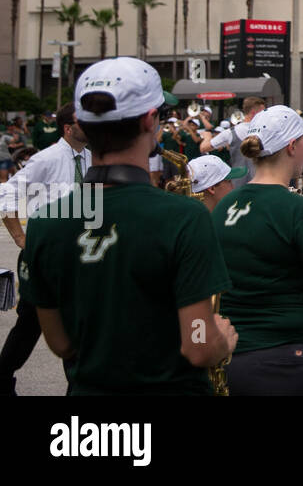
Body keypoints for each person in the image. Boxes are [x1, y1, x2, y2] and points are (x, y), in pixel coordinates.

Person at [19, 58, 236, 394]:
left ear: (80, 122)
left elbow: (60, 343)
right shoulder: (183, 216)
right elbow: (198, 344)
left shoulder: (46, 220)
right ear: (151, 120)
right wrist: (221, 340)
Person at [213, 105, 303, 396]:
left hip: (233, 360)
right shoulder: (302, 210)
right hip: (290, 361)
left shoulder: (223, 207)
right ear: (293, 146)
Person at [0, 103, 91, 395]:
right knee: (31, 325)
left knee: (73, 322)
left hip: (80, 253)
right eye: (83, 121)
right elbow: (7, 193)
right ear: (68, 128)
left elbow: (96, 205)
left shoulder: (93, 158)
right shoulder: (46, 159)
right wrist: (20, 238)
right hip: (45, 255)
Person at [201, 96, 265, 188]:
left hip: (238, 185)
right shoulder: (266, 132)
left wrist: (207, 137)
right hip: (260, 184)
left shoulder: (231, 132)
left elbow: (204, 148)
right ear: (254, 113)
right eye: (262, 112)